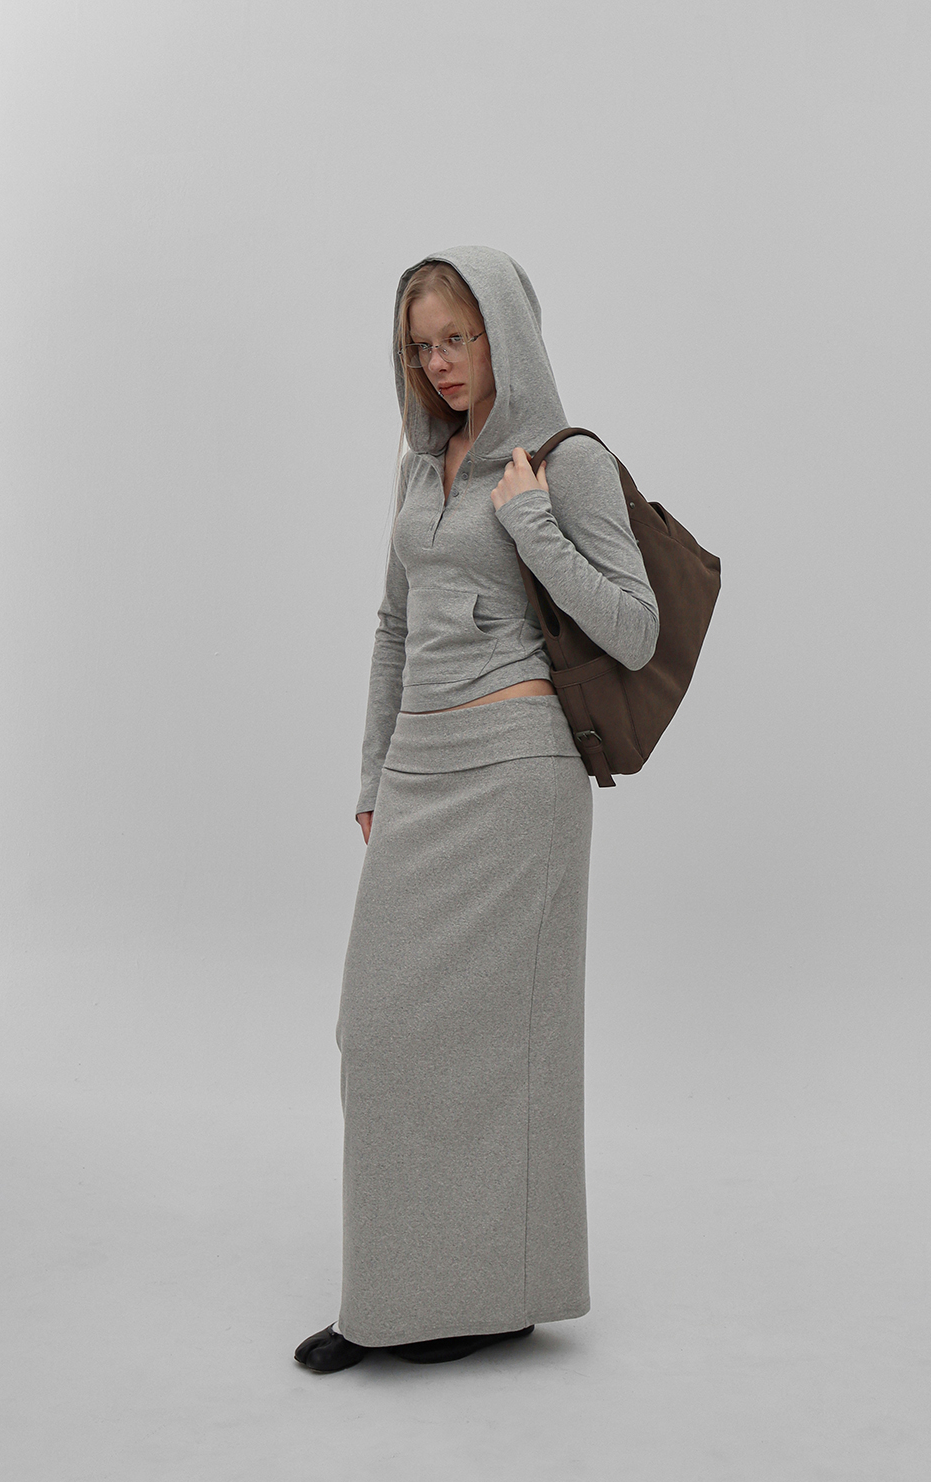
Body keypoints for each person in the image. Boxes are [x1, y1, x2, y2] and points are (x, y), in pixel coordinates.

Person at [295, 246, 659, 1373]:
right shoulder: (421, 468)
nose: (442, 364)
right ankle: (391, 1293)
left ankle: (494, 1293)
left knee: (504, 1046)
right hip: (420, 774)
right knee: (378, 1034)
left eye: (460, 337)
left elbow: (634, 628)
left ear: (508, 332)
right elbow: (393, 627)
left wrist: (535, 522)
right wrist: (372, 773)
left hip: (517, 778)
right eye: (422, 346)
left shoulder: (569, 463)